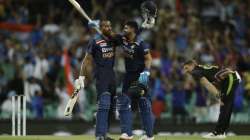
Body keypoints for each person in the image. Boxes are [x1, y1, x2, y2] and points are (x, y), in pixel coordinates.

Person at [74, 20, 116, 140]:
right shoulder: (95, 41)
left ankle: (105, 133)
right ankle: (99, 135)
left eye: (109, 26)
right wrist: (83, 76)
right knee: (104, 104)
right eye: (105, 26)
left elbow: (123, 38)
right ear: (101, 27)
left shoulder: (114, 40)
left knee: (110, 108)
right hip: (101, 76)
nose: (108, 28)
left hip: (112, 76)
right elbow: (87, 60)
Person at [113, 21, 154, 140]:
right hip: (128, 77)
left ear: (133, 30)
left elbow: (148, 58)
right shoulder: (123, 39)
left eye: (126, 28)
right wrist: (98, 28)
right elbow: (110, 36)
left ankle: (149, 136)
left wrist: (146, 72)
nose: (124, 29)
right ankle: (127, 133)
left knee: (144, 105)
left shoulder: (141, 43)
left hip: (141, 76)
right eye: (124, 27)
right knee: (124, 102)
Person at [183, 60, 241, 139]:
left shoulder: (195, 72)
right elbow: (215, 77)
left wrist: (218, 96)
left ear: (192, 65)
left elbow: (207, 84)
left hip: (230, 77)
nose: (186, 71)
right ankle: (221, 132)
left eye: (187, 68)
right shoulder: (201, 69)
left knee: (225, 105)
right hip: (229, 78)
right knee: (227, 106)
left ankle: (218, 132)